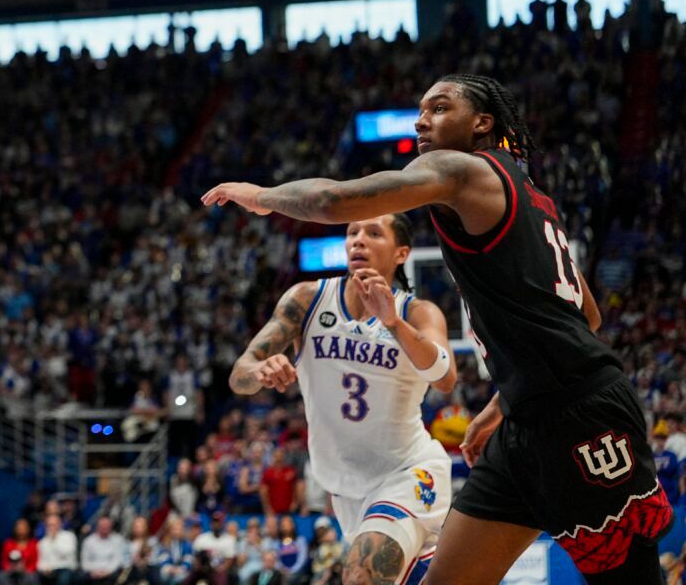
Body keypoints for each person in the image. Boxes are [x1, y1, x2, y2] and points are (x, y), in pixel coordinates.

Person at [205, 74, 676, 585]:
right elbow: (587, 311)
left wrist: (263, 195)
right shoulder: (531, 197)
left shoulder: (461, 169)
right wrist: (502, 404)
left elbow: (336, 199)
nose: (422, 119)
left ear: (482, 122)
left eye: (439, 108)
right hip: (525, 422)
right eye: (420, 111)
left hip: (581, 417)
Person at [228, 213, 457, 585]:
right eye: (352, 232)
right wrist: (259, 371)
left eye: (373, 233)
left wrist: (393, 324)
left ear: (401, 253)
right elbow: (240, 373)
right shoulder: (307, 299)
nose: (359, 240)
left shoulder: (416, 312)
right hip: (346, 490)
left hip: (409, 473)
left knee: (361, 576)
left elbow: (445, 378)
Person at [83, 515, 132, 585]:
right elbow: (85, 561)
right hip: (93, 572)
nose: (105, 527)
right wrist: (94, 572)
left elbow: (117, 560)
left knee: (118, 577)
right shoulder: (89, 541)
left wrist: (107, 572)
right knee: (81, 577)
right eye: (102, 525)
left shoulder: (118, 540)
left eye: (107, 525)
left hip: (110, 572)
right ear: (97, 526)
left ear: (111, 526)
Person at [41, 512, 81, 585]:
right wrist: (44, 568)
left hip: (66, 568)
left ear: (60, 524)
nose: (51, 527)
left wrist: (54, 540)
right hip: (49, 570)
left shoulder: (69, 536)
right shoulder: (43, 541)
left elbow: (66, 553)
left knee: (63, 578)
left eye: (53, 524)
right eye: (49, 525)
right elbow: (42, 560)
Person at [0, 518, 41, 585]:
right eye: (19, 528)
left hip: (28, 572)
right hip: (11, 572)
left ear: (28, 529)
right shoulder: (8, 544)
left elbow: (35, 561)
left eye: (24, 528)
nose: (21, 530)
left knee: (33, 577)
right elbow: (4, 561)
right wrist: (11, 569)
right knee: (0, 577)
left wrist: (24, 569)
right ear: (15, 529)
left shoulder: (33, 544)